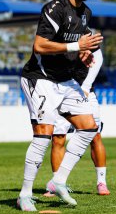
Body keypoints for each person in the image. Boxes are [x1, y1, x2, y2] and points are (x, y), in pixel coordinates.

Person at [17, 0, 103, 212]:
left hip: (64, 79)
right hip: (40, 77)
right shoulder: (54, 9)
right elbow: (40, 46)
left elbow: (74, 50)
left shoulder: (85, 13)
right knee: (44, 134)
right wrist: (78, 47)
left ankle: (58, 181)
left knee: (89, 127)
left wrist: (83, 56)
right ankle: (24, 195)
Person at [44, 48, 110, 197]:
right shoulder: (56, 35)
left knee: (95, 136)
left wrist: (86, 86)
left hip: (85, 92)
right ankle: (58, 183)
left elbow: (98, 55)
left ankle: (101, 182)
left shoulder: (84, 31)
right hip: (61, 92)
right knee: (58, 138)